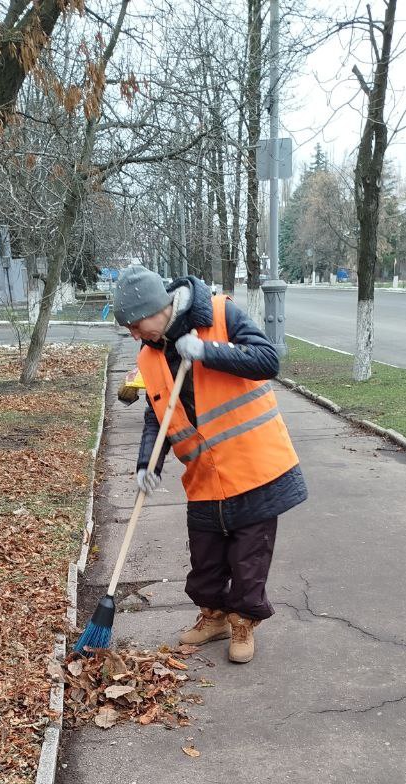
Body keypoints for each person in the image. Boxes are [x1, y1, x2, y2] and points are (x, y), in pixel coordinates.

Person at [113, 265, 307, 663]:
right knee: (206, 557)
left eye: (136, 324)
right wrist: (146, 464)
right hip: (204, 473)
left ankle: (242, 621)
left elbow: (267, 359)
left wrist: (206, 351)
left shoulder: (221, 314)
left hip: (253, 466)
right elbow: (157, 414)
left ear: (158, 307)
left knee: (248, 557)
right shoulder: (149, 356)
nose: (134, 334)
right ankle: (214, 615)